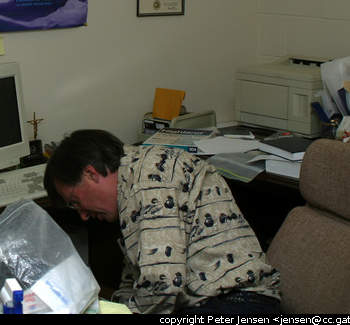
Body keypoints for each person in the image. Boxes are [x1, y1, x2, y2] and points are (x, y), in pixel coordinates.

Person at [43, 129, 281, 314]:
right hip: (209, 302)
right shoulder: (133, 181)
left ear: (90, 173)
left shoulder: (151, 181)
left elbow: (162, 284)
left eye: (75, 201)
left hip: (237, 303)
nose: (82, 214)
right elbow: (139, 278)